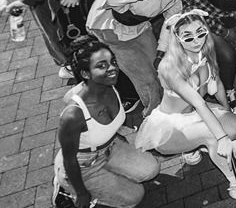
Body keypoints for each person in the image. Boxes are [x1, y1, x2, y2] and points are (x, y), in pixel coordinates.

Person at [135, 11, 236, 204]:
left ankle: (197, 143)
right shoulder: (169, 66)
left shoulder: (204, 52)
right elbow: (199, 103)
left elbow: (216, 84)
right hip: (171, 127)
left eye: (201, 33)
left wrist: (227, 110)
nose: (196, 40)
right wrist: (222, 137)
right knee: (214, 136)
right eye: (188, 36)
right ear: (177, 38)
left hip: (195, 112)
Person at [86, 0, 208, 115]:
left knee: (162, 70)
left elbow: (170, 20)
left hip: (139, 25)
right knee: (148, 81)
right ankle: (153, 119)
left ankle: (168, 112)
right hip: (110, 25)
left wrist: (161, 51)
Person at [54, 37, 159, 208]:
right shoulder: (73, 115)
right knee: (134, 196)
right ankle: (66, 191)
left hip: (109, 148)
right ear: (86, 74)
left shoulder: (110, 86)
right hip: (83, 166)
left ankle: (110, 178)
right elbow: (69, 159)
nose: (113, 69)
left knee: (151, 169)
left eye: (113, 61)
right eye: (101, 66)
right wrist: (81, 193)